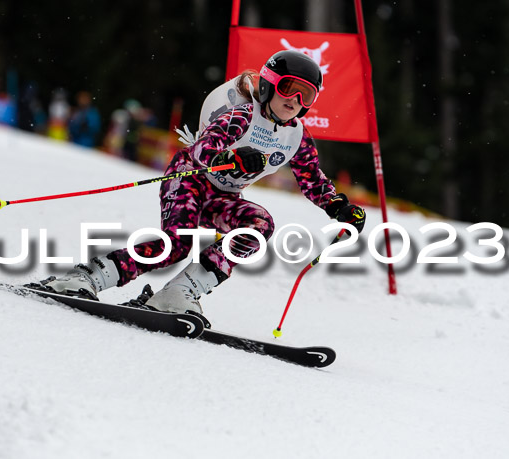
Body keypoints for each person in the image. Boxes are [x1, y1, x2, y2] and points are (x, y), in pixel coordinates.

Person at [37, 50, 366, 315]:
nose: (294, 99)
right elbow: (203, 149)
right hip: (190, 179)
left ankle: (180, 293)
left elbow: (311, 177)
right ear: (268, 85)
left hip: (224, 195)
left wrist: (338, 207)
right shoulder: (242, 116)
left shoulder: (298, 137)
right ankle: (86, 277)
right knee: (175, 245)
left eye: (305, 94)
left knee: (258, 225)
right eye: (288, 88)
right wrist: (232, 158)